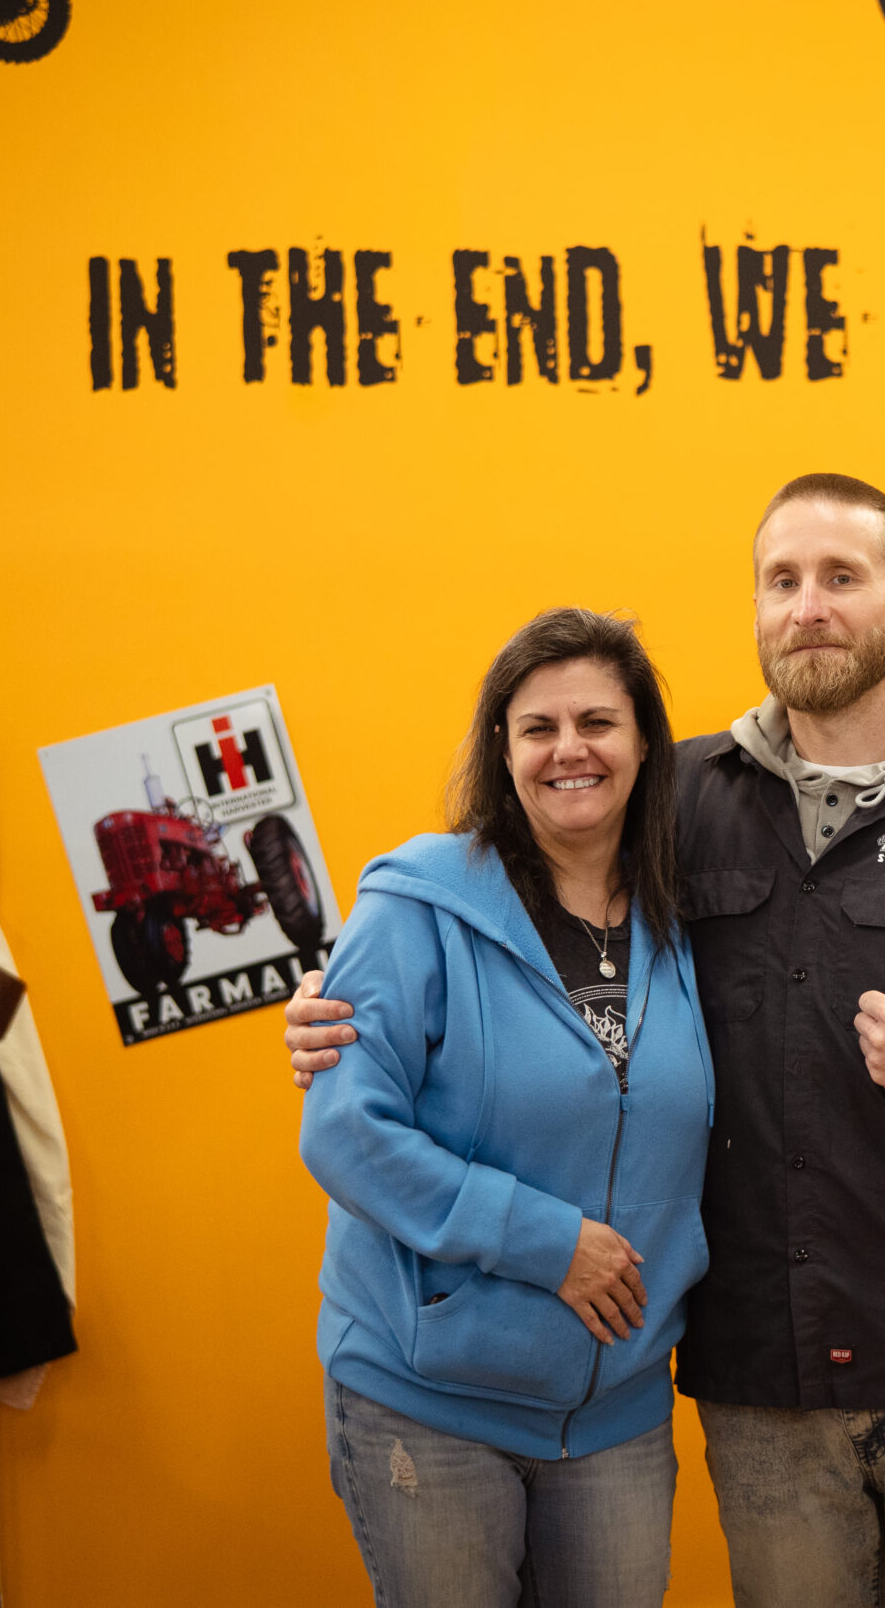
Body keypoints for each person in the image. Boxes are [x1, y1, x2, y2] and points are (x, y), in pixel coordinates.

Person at [291, 477, 885, 1606]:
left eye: (842, 577)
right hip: (761, 1375)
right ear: (754, 608)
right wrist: (340, 1003)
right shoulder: (683, 801)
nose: (809, 606)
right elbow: (512, 895)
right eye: (782, 580)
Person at [298, 608, 714, 1608]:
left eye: (598, 722)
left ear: (644, 743)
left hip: (617, 1411)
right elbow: (346, 1128)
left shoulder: (689, 914)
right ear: (502, 748)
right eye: (539, 727)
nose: (570, 749)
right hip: (428, 1401)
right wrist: (546, 1242)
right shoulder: (417, 901)